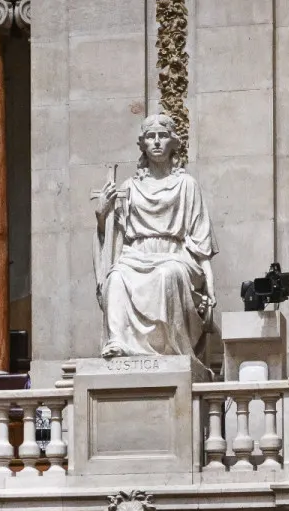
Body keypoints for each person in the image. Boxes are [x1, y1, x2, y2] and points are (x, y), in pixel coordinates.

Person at [94, 114, 218, 358]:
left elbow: (201, 242)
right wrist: (102, 213)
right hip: (135, 255)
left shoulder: (186, 184)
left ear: (173, 142)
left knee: (167, 274)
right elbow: (113, 237)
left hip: (174, 255)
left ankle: (168, 348)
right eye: (151, 137)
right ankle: (119, 343)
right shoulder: (129, 187)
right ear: (143, 144)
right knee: (117, 277)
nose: (157, 142)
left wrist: (210, 287)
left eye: (162, 136)